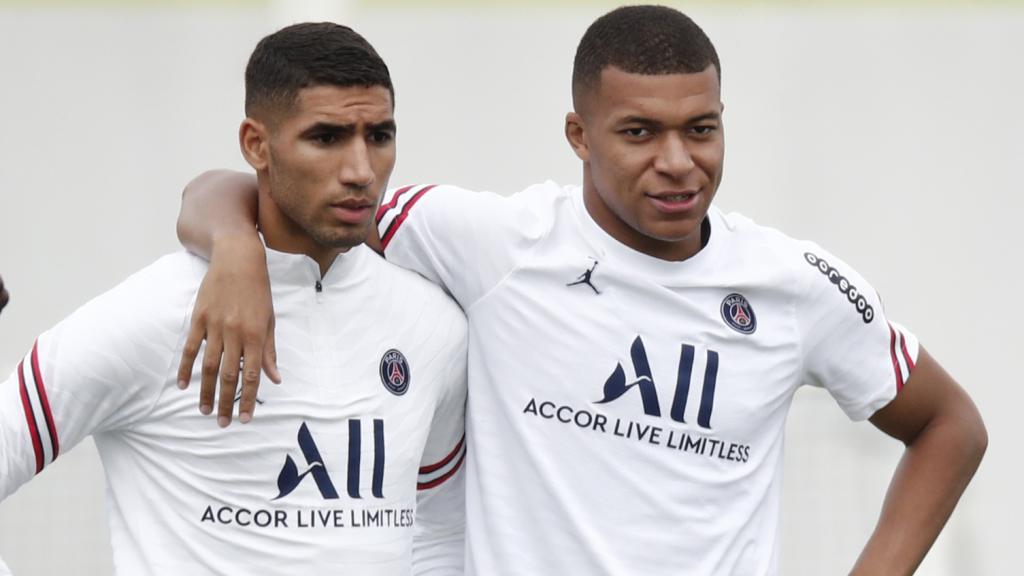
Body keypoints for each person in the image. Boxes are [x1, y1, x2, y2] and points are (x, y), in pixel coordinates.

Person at [176, 6, 987, 575]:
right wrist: (236, 253)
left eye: (701, 128)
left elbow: (950, 426)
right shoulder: (493, 243)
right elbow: (268, 189)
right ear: (579, 134)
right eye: (639, 132)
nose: (678, 160)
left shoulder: (793, 282)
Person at [0, 22, 467, 576]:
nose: (361, 171)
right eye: (326, 137)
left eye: (380, 136)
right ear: (256, 145)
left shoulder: (434, 324)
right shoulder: (154, 314)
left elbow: (443, 525)